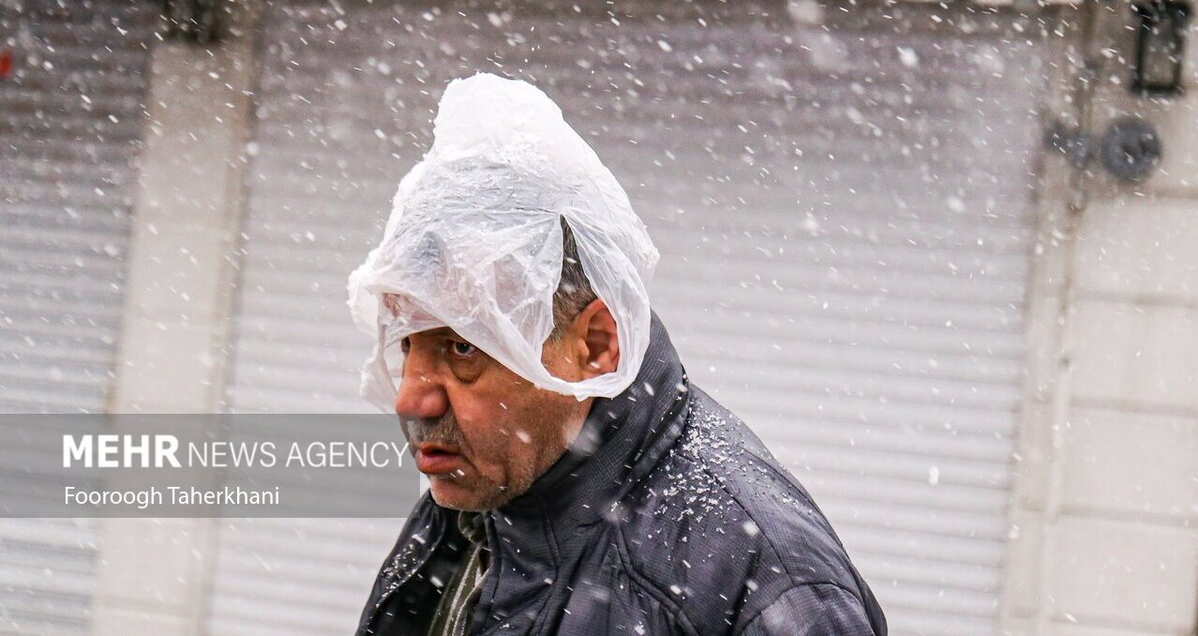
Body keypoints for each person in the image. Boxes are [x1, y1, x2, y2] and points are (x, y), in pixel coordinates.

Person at [348, 73, 887, 635]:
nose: (412, 397)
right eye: (408, 343)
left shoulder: (752, 574)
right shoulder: (480, 495)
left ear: (596, 346)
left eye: (463, 346)